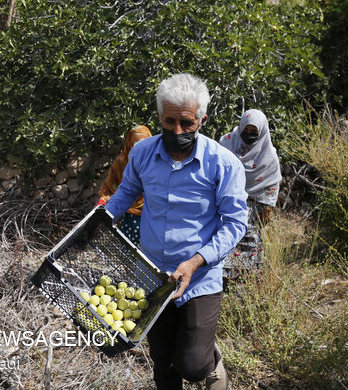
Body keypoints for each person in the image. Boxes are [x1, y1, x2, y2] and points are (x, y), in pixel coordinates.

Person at [105, 73, 248, 390]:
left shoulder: (222, 164)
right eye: (170, 122)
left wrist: (196, 261)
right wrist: (104, 216)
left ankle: (210, 363)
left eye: (187, 123)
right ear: (159, 116)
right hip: (153, 273)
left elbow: (235, 223)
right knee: (162, 359)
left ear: (202, 119)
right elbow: (127, 191)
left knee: (192, 365)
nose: (177, 131)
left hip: (199, 277)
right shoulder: (143, 153)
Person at [219, 109, 282, 278]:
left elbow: (272, 181)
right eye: (245, 130)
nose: (248, 135)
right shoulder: (227, 143)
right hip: (227, 200)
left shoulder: (268, 154)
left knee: (249, 237)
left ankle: (246, 277)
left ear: (261, 132)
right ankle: (224, 277)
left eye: (254, 132)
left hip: (253, 205)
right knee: (226, 235)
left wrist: (268, 208)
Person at [97, 125, 152, 247]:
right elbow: (111, 186)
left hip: (150, 214)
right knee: (129, 250)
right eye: (135, 144)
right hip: (128, 215)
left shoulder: (155, 163)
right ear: (129, 144)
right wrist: (103, 203)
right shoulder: (121, 163)